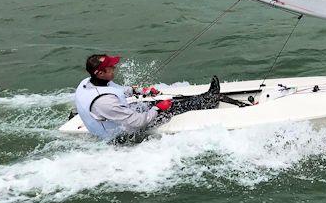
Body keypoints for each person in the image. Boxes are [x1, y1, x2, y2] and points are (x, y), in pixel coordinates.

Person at [74, 54, 221, 142]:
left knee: (154, 103)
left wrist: (138, 90)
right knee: (169, 107)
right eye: (111, 68)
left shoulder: (89, 83)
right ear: (100, 73)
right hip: (120, 137)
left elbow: (116, 90)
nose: (115, 68)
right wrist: (159, 108)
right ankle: (209, 101)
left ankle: (199, 100)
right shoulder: (104, 102)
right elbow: (138, 122)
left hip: (108, 121)